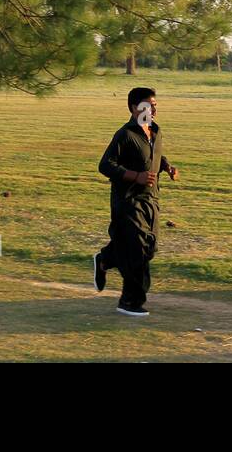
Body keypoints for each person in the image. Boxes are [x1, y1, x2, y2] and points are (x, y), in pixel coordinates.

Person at [93, 87, 179, 317]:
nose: (154, 108)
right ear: (134, 108)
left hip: (151, 199)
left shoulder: (156, 131)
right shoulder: (125, 135)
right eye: (148, 104)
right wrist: (135, 176)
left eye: (155, 104)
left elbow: (154, 156)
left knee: (150, 247)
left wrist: (167, 167)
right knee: (138, 251)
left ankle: (106, 259)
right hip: (128, 201)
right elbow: (105, 165)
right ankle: (130, 301)